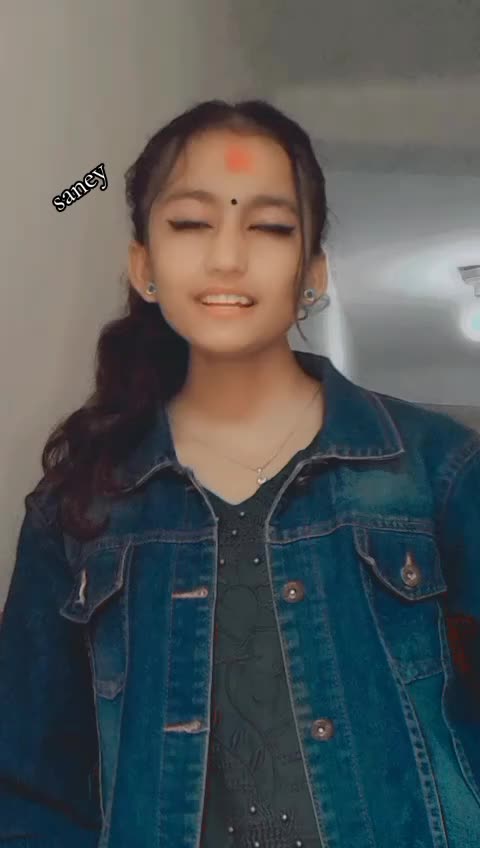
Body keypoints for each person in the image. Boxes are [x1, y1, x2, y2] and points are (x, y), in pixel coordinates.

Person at [0, 99, 479, 848]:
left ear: (313, 272)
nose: (227, 257)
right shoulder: (78, 508)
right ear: (144, 267)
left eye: (270, 226)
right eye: (191, 223)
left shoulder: (436, 469)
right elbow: (29, 790)